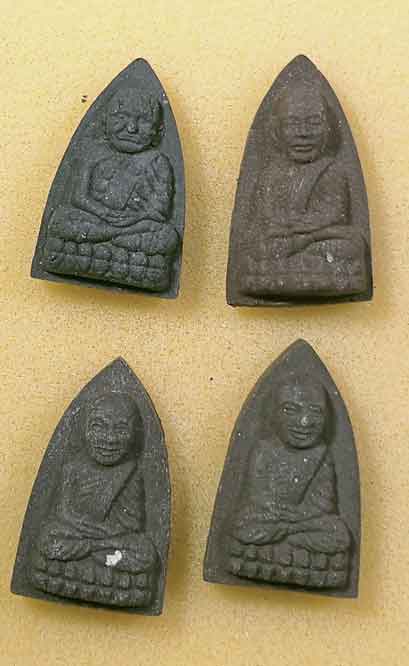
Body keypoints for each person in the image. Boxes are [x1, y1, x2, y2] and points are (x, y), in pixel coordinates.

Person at [43, 87, 179, 290]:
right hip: (96, 220)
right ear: (105, 122)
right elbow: (78, 197)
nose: (131, 128)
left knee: (167, 235)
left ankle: (87, 256)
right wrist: (104, 213)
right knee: (61, 219)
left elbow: (159, 211)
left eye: (143, 121)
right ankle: (126, 261)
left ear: (157, 131)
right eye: (121, 118)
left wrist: (133, 218)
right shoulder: (92, 153)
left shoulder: (157, 162)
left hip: (134, 226)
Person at [240, 82, 368, 298]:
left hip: (318, 238)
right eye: (293, 124)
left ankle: (294, 269)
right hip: (282, 238)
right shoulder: (271, 173)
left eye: (313, 123)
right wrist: (287, 226)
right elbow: (266, 215)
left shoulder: (332, 170)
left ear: (327, 129)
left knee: (351, 244)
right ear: (276, 131)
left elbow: (335, 214)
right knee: (254, 244)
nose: (303, 134)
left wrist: (304, 232)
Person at [31, 393, 157, 607]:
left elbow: (133, 523)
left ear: (134, 435)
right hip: (78, 536)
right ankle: (106, 576)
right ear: (85, 430)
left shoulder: (131, 472)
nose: (109, 439)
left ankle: (80, 573)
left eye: (120, 429)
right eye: (99, 427)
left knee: (145, 552)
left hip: (108, 542)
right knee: (48, 539)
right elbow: (63, 513)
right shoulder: (73, 468)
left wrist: (101, 539)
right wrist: (91, 535)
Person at [228, 377, 351, 584]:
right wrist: (276, 511)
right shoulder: (264, 449)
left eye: (316, 412)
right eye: (291, 410)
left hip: (302, 520)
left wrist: (299, 516)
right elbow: (256, 494)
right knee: (243, 525)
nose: (305, 422)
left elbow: (324, 502)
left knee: (338, 533)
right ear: (273, 414)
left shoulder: (321, 454)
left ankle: (284, 540)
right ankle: (289, 542)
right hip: (269, 516)